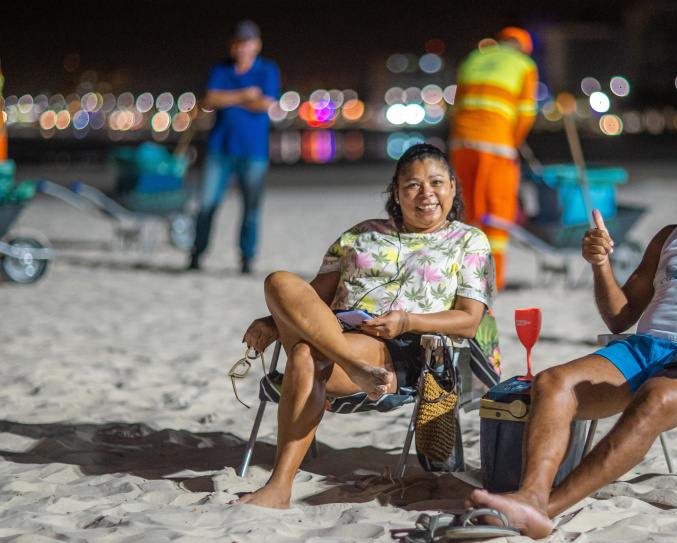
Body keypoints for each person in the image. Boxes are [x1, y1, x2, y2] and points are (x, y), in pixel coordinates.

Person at [468, 133, 677, 539]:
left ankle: (545, 508)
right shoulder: (670, 236)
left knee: (656, 396)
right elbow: (619, 316)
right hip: (645, 349)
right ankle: (531, 495)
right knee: (552, 382)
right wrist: (599, 264)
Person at [231, 143, 496, 509]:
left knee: (308, 355)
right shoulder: (360, 234)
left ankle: (279, 486)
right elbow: (311, 297)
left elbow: (469, 320)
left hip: (396, 348)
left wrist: (407, 320)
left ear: (452, 186)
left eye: (436, 182)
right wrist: (272, 321)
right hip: (341, 337)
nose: (426, 194)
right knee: (278, 281)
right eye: (412, 186)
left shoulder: (469, 241)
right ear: (396, 193)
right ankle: (354, 368)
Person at [449, 27, 538, 291]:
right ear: (522, 47)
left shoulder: (473, 59)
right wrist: (514, 142)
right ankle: (492, 281)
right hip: (496, 143)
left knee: (467, 209)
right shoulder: (524, 64)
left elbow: (456, 106)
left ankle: (464, 276)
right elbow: (525, 112)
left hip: (461, 142)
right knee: (497, 210)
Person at [189, 20, 281, 274]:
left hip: (254, 152)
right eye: (237, 43)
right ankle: (196, 254)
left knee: (251, 208)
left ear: (257, 45)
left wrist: (230, 99)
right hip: (220, 149)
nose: (241, 48)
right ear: (231, 46)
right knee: (206, 205)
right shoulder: (220, 69)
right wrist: (245, 95)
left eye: (246, 43)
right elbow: (210, 99)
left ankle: (246, 259)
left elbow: (265, 103)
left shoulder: (268, 70)